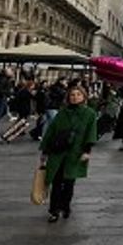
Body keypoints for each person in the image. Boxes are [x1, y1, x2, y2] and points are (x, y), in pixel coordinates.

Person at [39, 86, 97, 222]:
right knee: (56, 182)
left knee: (69, 183)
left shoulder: (89, 114)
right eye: (72, 95)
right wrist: (45, 152)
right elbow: (51, 132)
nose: (75, 97)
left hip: (75, 153)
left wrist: (87, 151)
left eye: (78, 94)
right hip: (58, 153)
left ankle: (65, 206)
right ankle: (54, 210)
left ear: (84, 97)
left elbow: (91, 133)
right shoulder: (62, 113)